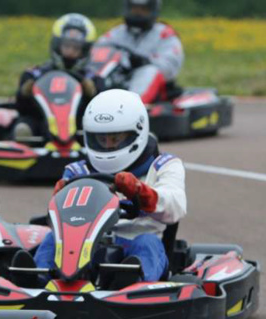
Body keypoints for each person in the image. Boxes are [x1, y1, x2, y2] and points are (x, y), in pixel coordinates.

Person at [34, 89, 186, 285]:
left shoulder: (163, 166)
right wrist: (60, 202)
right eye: (101, 139)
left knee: (147, 244)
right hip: (86, 245)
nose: (107, 145)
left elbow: (175, 206)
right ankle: (37, 279)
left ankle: (133, 280)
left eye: (115, 138)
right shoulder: (77, 170)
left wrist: (139, 192)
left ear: (137, 132)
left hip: (137, 241)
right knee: (51, 239)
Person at [14, 13, 98, 138]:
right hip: (42, 121)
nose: (70, 51)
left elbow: (100, 109)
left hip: (78, 124)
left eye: (76, 48)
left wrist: (91, 93)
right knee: (23, 127)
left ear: (85, 50)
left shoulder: (92, 78)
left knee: (96, 125)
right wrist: (26, 92)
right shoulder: (35, 74)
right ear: (57, 45)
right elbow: (21, 108)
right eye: (67, 46)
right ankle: (24, 149)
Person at [95, 0, 184, 104]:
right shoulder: (117, 32)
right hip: (116, 82)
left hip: (151, 89)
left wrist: (144, 62)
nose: (137, 13)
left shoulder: (165, 34)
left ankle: (131, 107)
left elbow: (169, 67)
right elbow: (97, 51)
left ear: (153, 10)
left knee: (150, 71)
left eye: (143, 9)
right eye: (134, 9)